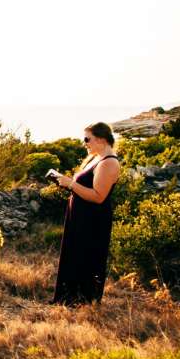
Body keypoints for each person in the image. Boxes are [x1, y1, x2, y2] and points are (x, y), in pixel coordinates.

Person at [52, 122, 121, 305]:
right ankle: (69, 298)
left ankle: (83, 302)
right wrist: (66, 183)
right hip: (82, 218)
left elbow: (98, 196)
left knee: (87, 258)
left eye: (87, 139)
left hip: (92, 221)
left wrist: (71, 184)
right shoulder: (96, 158)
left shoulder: (109, 162)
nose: (85, 143)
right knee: (75, 256)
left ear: (101, 139)